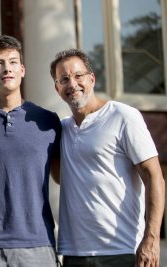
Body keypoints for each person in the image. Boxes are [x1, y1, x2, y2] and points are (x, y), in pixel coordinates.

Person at [50, 48, 165, 267]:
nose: (72, 84)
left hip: (121, 250)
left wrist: (151, 239)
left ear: (92, 79)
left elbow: (155, 177)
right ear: (57, 88)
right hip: (74, 254)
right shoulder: (62, 129)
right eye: (64, 79)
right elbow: (60, 177)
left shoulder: (123, 116)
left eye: (78, 76)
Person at [0, 35, 61, 266]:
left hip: (37, 244)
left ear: (22, 69)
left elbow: (66, 176)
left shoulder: (48, 122)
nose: (6, 68)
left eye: (12, 61)